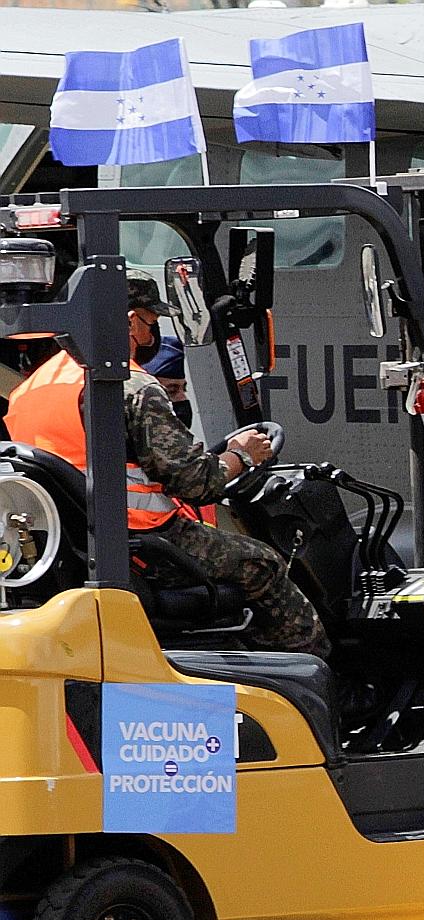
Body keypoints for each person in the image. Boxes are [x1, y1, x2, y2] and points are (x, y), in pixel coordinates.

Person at [4, 270, 329, 659]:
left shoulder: (30, 389)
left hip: (69, 546)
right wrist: (242, 454)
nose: (150, 337)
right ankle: (318, 681)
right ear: (128, 320)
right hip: (145, 547)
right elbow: (195, 483)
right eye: (151, 323)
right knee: (264, 564)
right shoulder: (130, 386)